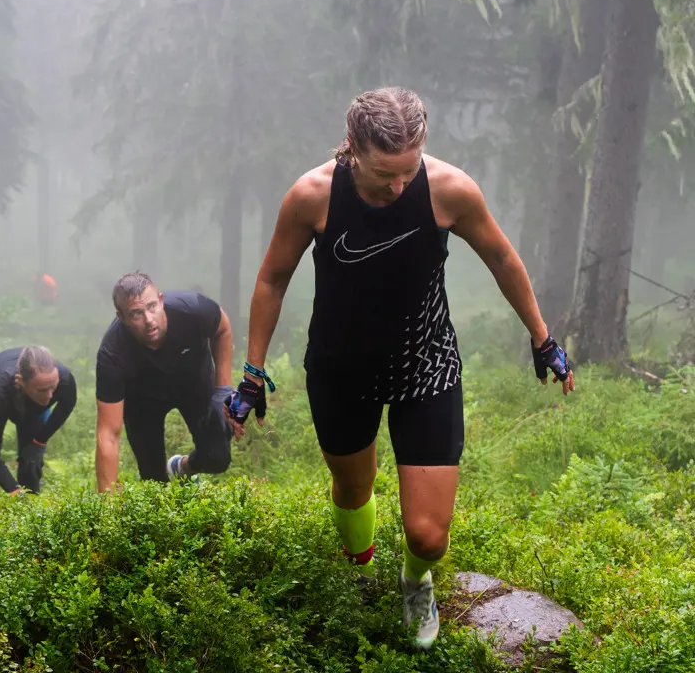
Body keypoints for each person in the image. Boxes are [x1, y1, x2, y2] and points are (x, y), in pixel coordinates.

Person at [225, 87, 574, 650]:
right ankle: (358, 568)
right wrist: (252, 371)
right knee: (353, 486)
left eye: (408, 172)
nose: (398, 186)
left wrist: (542, 337)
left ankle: (415, 580)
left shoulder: (449, 189)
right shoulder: (313, 196)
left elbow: (503, 258)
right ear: (352, 150)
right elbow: (272, 278)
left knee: (429, 535)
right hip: (341, 370)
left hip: (426, 364)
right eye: (385, 174)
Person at [94, 272, 237, 492]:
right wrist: (107, 507)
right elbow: (108, 435)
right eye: (136, 314)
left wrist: (223, 390)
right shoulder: (112, 353)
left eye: (152, 307)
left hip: (194, 384)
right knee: (154, 483)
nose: (148, 320)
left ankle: (182, 468)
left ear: (161, 300)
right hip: (142, 402)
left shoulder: (192, 309)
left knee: (217, 458)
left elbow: (223, 328)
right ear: (121, 317)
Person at [0, 346, 76, 495]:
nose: (50, 396)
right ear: (21, 381)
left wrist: (39, 442)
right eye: (42, 390)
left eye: (53, 387)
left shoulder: (64, 379)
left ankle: (31, 501)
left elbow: (67, 405)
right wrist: (14, 491)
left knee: (32, 460)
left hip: (32, 407)